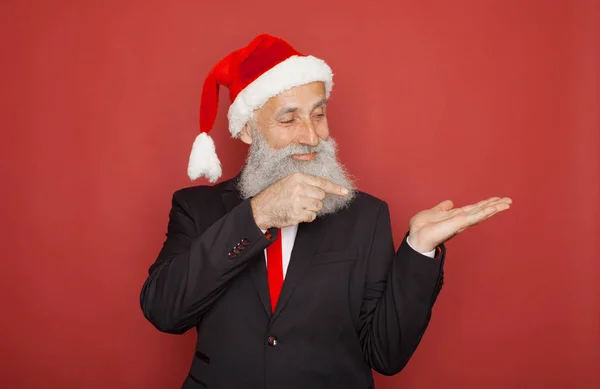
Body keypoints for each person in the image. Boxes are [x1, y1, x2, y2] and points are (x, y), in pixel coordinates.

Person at [139, 34, 512, 389]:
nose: (312, 136)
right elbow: (164, 311)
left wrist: (419, 249)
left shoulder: (366, 216)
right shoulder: (196, 209)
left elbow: (386, 353)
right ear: (248, 130)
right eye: (289, 120)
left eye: (318, 115)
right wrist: (259, 215)